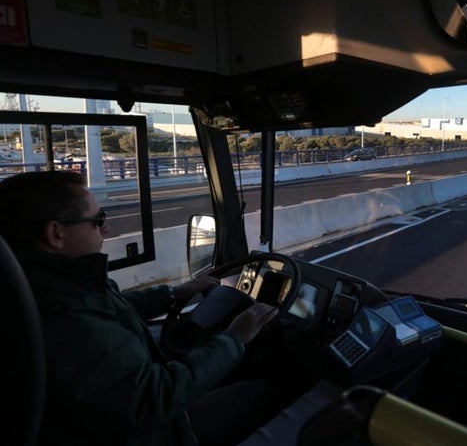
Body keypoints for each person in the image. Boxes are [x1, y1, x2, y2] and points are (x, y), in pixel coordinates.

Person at [0, 170, 282, 445]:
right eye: (98, 220)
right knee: (261, 391)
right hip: (148, 432)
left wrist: (173, 294)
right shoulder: (64, 312)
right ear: (55, 233)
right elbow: (153, 397)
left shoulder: (47, 284)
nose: (106, 228)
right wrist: (234, 339)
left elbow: (108, 309)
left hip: (106, 422)